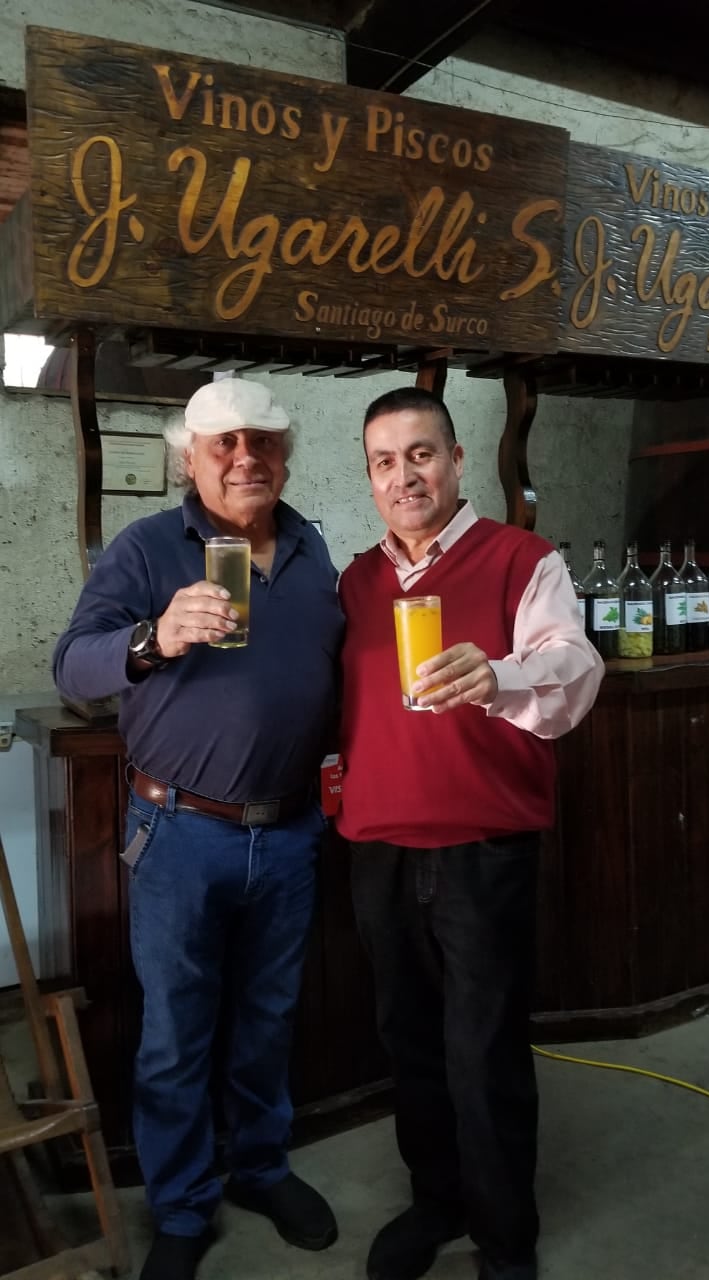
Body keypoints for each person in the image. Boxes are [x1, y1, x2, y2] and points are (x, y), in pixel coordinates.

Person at [52, 378, 343, 1280]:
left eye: (262, 440)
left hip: (291, 831)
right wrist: (153, 637)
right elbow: (72, 666)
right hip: (180, 832)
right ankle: (181, 1207)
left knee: (268, 1018)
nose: (245, 457)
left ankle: (259, 1168)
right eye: (224, 443)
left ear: (285, 454)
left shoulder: (312, 547)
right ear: (191, 456)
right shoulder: (148, 548)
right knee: (176, 1031)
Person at [337, 386, 604, 1280]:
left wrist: (497, 675)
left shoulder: (519, 559)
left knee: (482, 1049)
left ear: (455, 460)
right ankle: (435, 1202)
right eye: (384, 461)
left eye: (420, 454)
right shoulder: (358, 579)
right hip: (377, 844)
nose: (403, 475)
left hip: (482, 847)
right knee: (408, 1041)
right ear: (369, 479)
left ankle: (503, 1235)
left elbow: (572, 665)